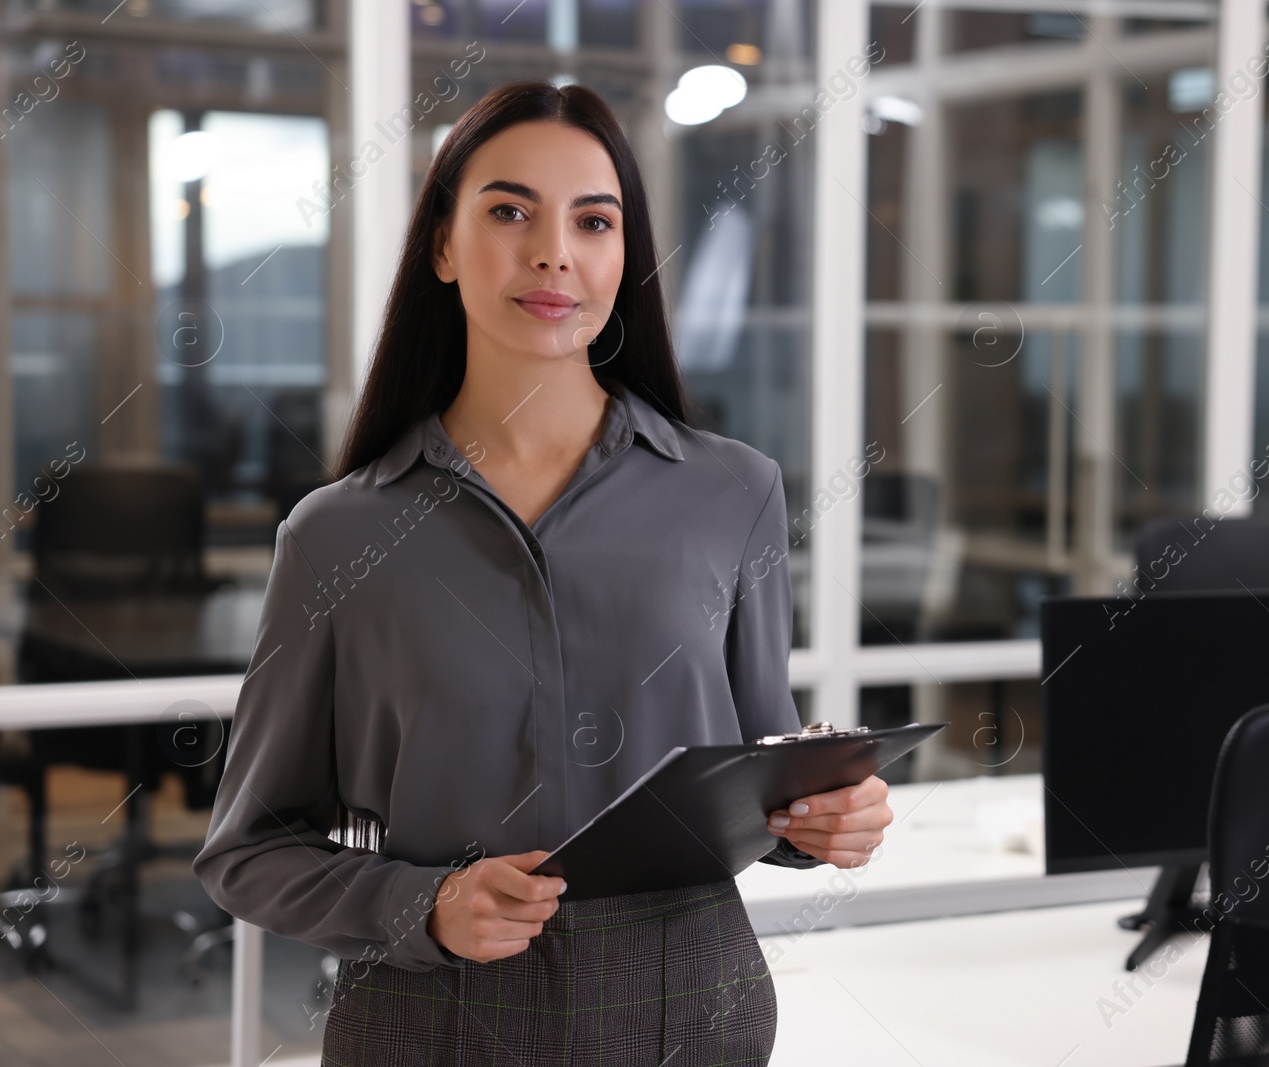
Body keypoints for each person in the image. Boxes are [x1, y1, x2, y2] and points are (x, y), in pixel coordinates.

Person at [192, 80, 893, 1065]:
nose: (553, 250)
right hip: (428, 1019)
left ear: (623, 255)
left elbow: (755, 772)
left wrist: (822, 812)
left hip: (688, 1007)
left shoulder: (735, 492)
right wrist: (420, 904)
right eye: (510, 209)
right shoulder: (336, 535)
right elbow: (249, 850)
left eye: (593, 220)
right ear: (442, 246)